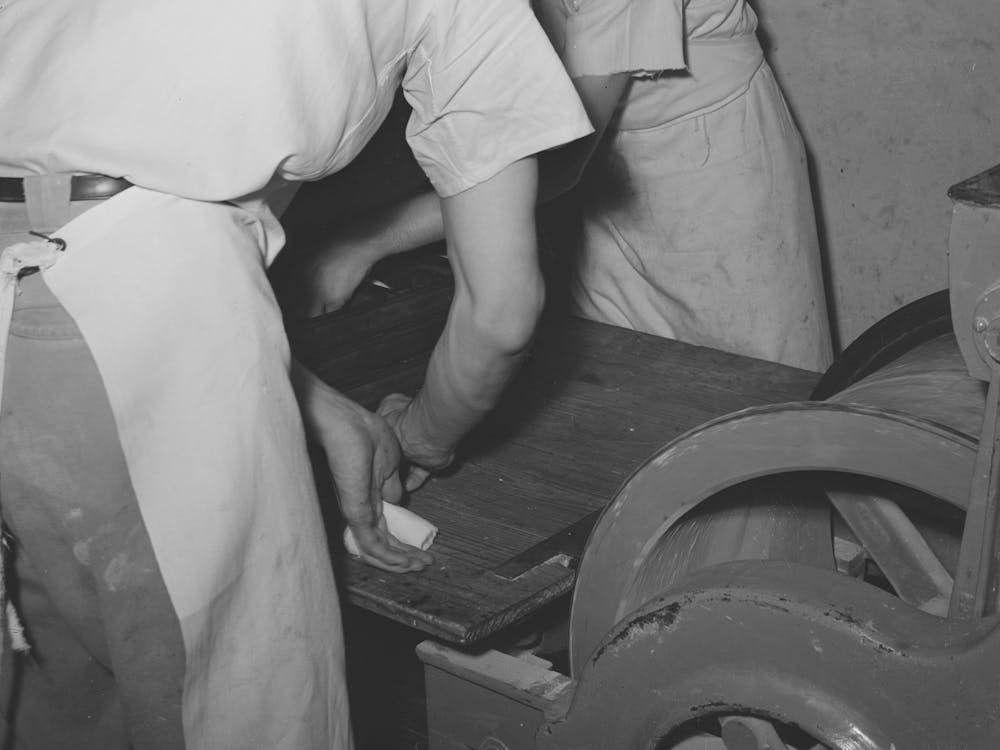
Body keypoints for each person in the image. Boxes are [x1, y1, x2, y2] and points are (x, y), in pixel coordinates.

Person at [0, 0, 592, 747]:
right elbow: (501, 311)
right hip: (136, 288)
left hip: (64, 279)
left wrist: (310, 400)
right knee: (247, 714)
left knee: (52, 693)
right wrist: (426, 437)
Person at [290, 0, 833, 373]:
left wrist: (363, 241)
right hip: (604, 176)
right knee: (622, 387)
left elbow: (556, 164)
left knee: (741, 398)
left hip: (706, 175)